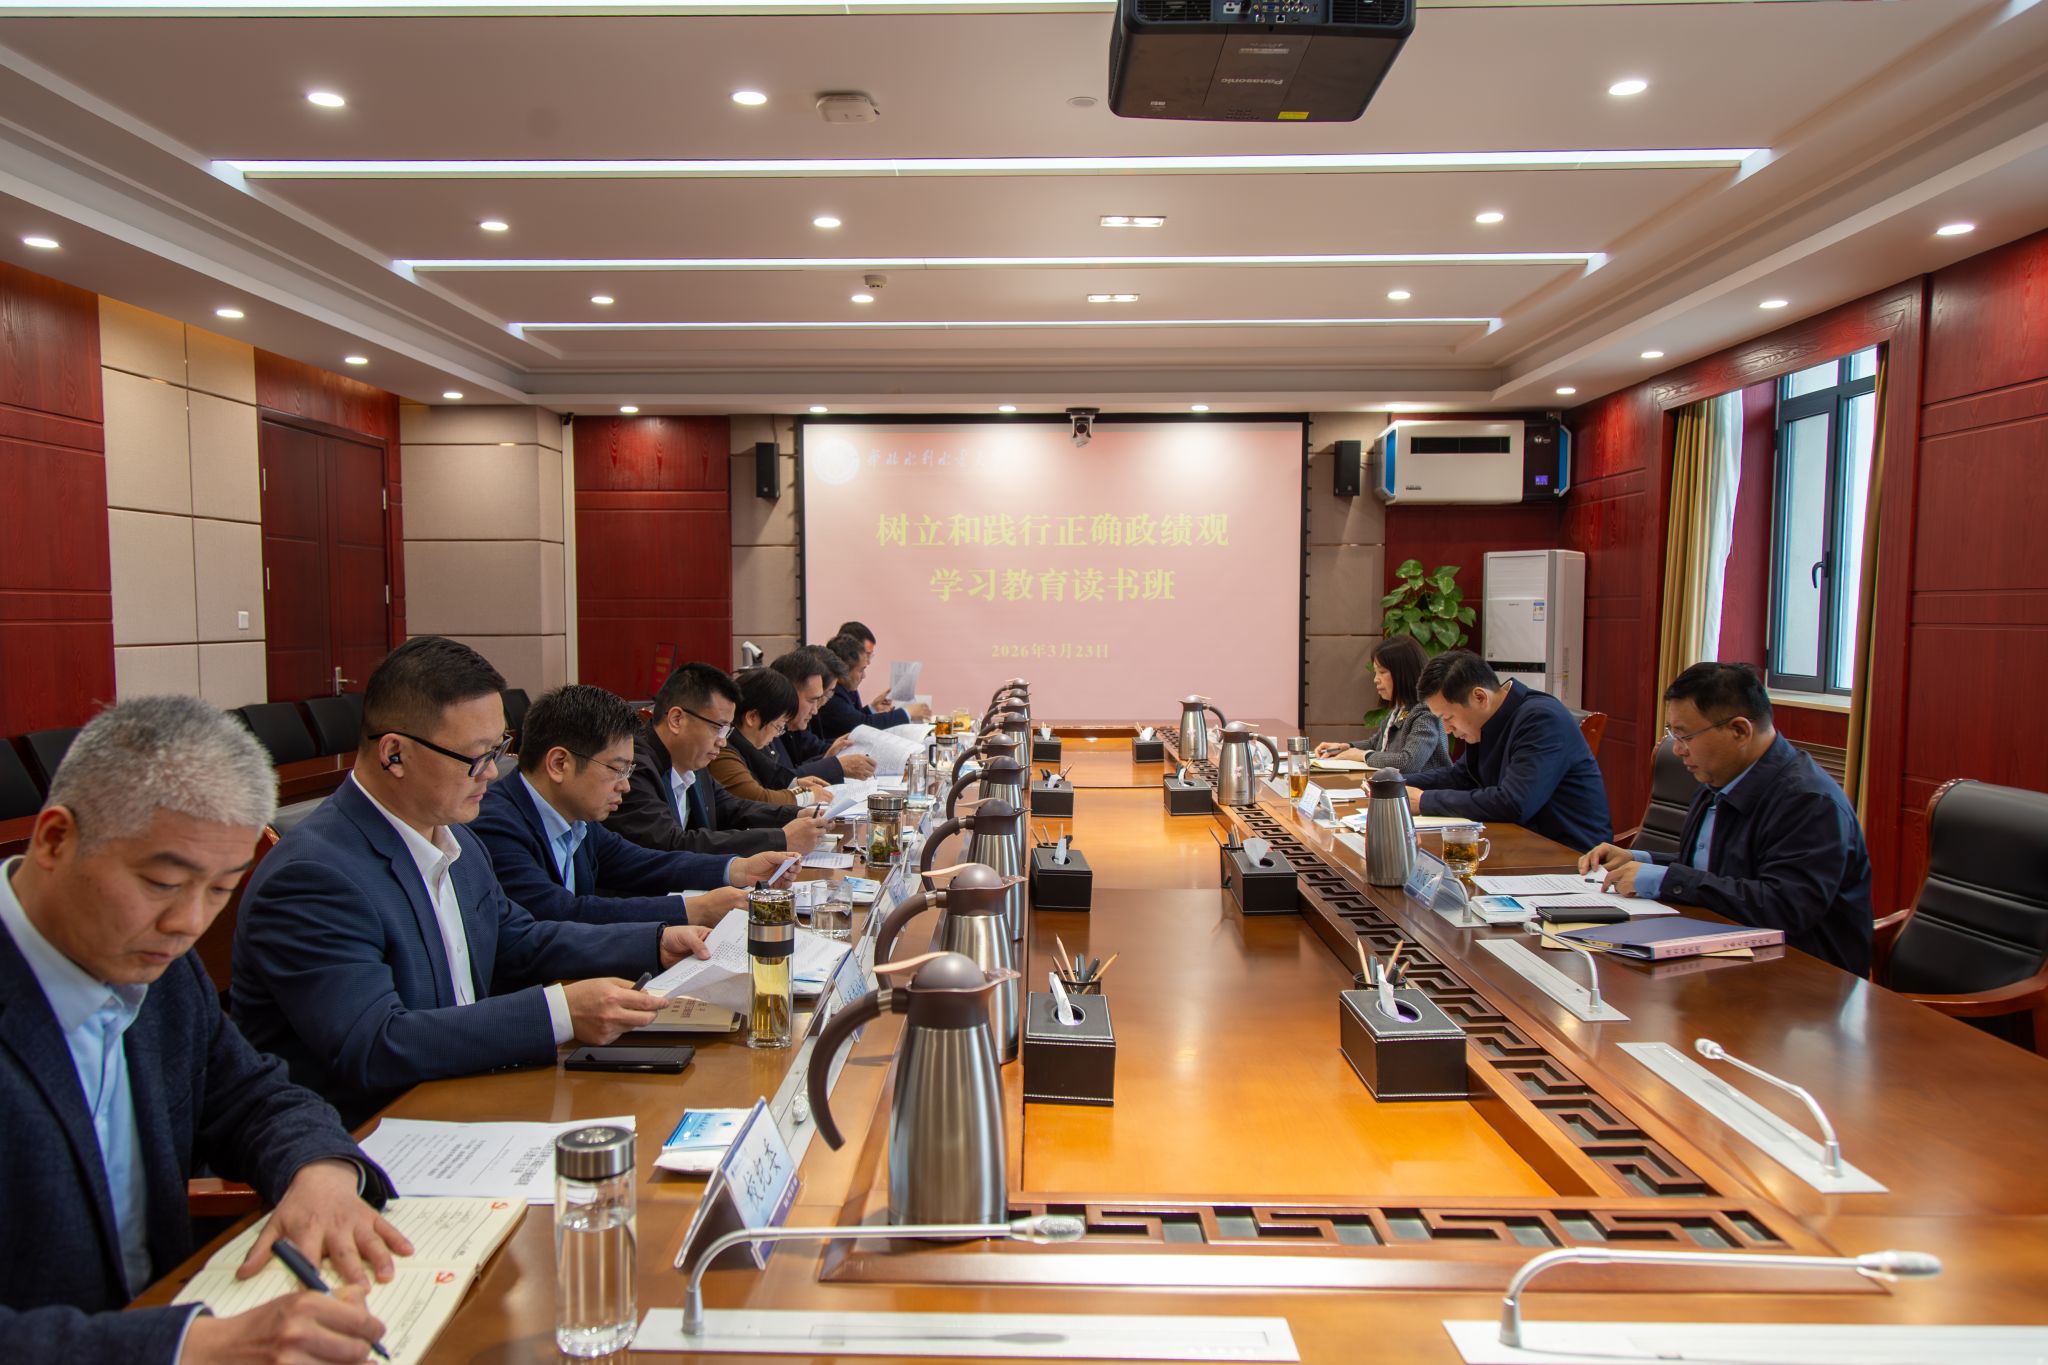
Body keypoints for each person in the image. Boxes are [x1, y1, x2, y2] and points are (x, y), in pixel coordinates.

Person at [2, 696, 408, 1364]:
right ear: (54, 839)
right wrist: (188, 1344)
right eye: (163, 882)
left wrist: (320, 1169)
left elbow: (251, 1096)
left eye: (220, 889)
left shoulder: (160, 968)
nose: (189, 923)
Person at [232, 638, 712, 1128]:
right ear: (394, 753)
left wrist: (654, 942)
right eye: (477, 756)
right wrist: (559, 1013)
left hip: (470, 1093)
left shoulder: (456, 837)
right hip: (375, 1135)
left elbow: (517, 939)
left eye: (499, 749)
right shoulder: (314, 876)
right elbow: (375, 1044)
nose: (492, 773)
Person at [1580, 662, 1874, 975]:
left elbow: (1784, 907)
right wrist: (1639, 859)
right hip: (1724, 950)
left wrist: (1664, 879)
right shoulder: (1719, 780)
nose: (1678, 750)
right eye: (1673, 734)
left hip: (1801, 975)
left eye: (1685, 736)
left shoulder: (1809, 802)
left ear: (1739, 731)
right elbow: (1717, 869)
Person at [471, 685, 790, 928]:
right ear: (559, 764)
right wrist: (693, 910)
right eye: (617, 769)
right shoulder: (496, 825)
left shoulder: (578, 819)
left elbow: (642, 862)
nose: (625, 785)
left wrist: (737, 869)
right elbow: (560, 914)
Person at [608, 662, 826, 857]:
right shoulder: (634, 768)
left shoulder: (694, 762)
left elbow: (732, 808)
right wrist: (780, 839)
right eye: (717, 728)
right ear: (676, 719)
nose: (722, 741)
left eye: (726, 731)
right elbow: (671, 844)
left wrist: (798, 814)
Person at [1404, 649, 1612, 851]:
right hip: (1518, 844)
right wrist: (1395, 783)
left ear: (1480, 697)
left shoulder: (1541, 719)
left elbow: (1514, 803)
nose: (1447, 729)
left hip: (1568, 854)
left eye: (1448, 718)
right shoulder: (1487, 721)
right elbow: (1461, 777)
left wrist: (1423, 801)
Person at [1314, 636, 1448, 773]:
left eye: (1382, 672)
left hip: (1421, 787)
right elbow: (1375, 744)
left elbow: (1408, 762)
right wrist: (1345, 747)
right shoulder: (1401, 709)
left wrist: (1363, 755)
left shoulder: (1425, 712)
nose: (1376, 680)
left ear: (1403, 673)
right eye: (1376, 672)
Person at [709, 668, 834, 806]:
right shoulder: (722, 751)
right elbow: (758, 798)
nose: (776, 736)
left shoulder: (752, 745)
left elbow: (772, 775)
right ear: (752, 717)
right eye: (778, 727)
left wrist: (794, 784)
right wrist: (807, 795)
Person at [770, 648, 876, 783]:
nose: (815, 710)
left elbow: (790, 772)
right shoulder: (769, 729)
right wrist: (834, 765)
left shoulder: (788, 726)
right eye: (813, 699)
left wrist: (829, 759)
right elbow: (779, 781)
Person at [811, 632, 931, 742]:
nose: (864, 676)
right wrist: (907, 712)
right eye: (861, 670)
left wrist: (872, 708)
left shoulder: (844, 689)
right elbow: (861, 726)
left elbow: (852, 719)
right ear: (844, 670)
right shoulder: (832, 694)